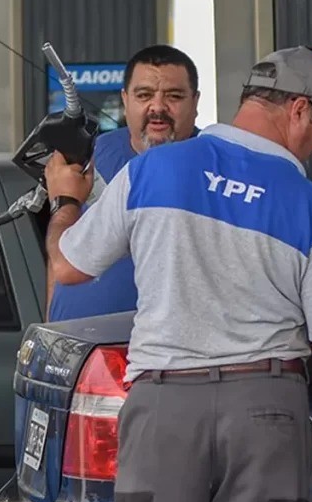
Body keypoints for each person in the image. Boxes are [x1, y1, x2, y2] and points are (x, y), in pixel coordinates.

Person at [43, 46, 312, 502]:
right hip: (263, 415)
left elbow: (67, 266)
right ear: (299, 109)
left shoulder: (150, 170)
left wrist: (65, 200)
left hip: (162, 411)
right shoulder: (308, 205)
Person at [46, 44, 201, 322]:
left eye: (174, 96)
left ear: (196, 102)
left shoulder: (215, 165)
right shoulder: (93, 153)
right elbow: (62, 249)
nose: (157, 107)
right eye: (144, 95)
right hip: (71, 349)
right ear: (125, 100)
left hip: (159, 356)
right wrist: (49, 328)